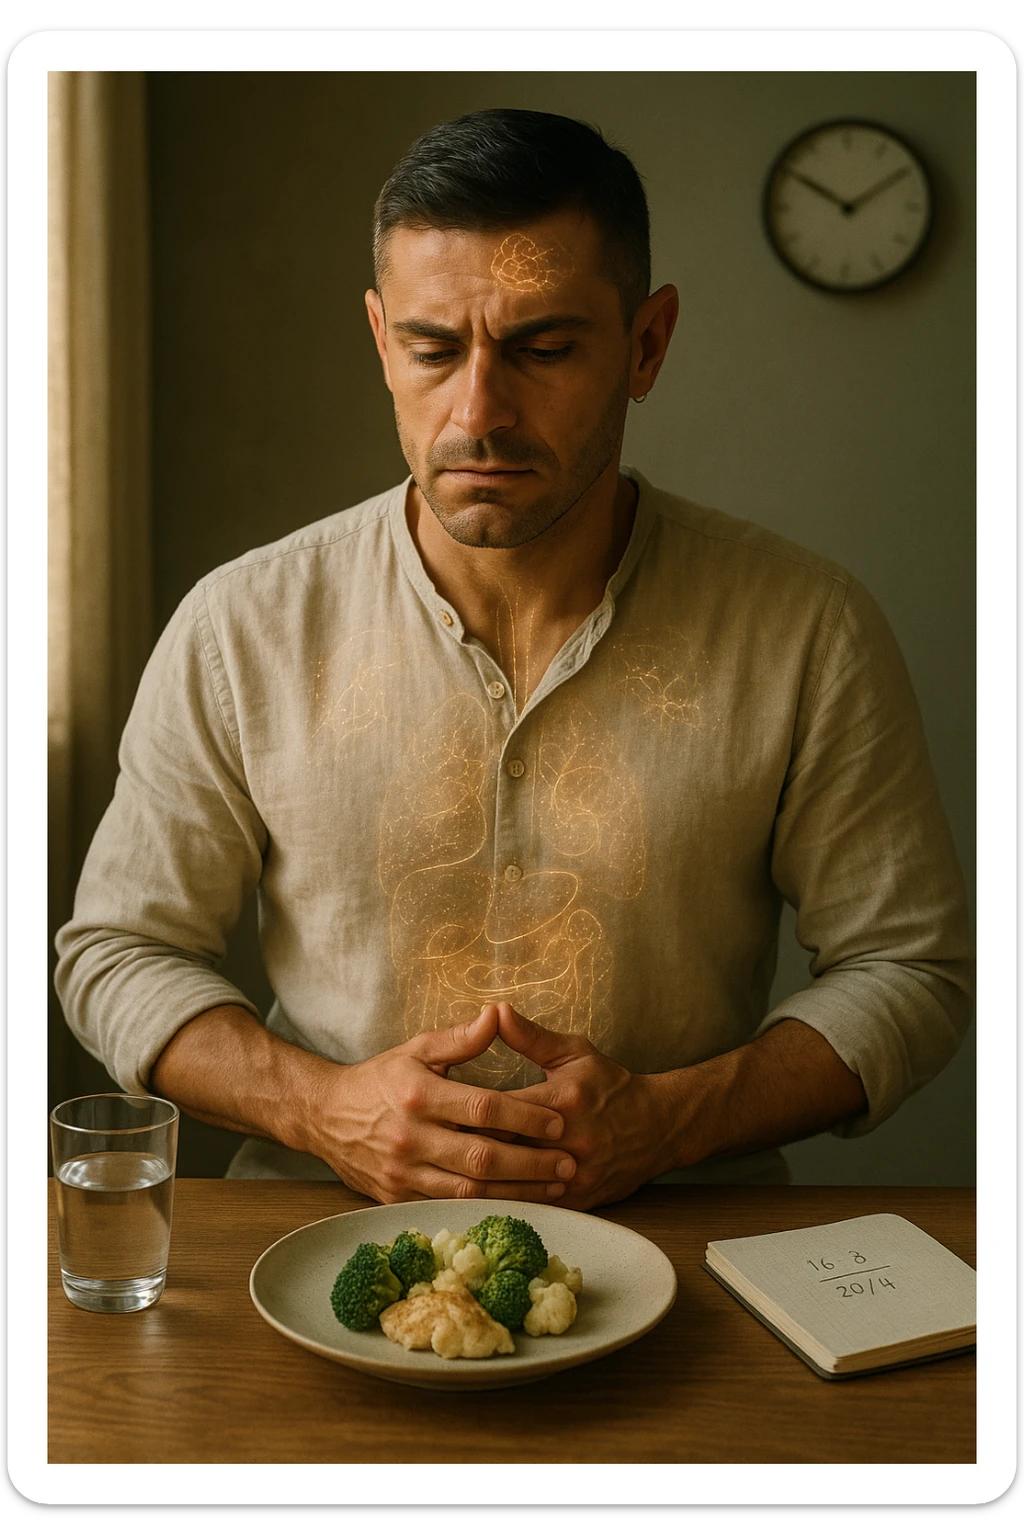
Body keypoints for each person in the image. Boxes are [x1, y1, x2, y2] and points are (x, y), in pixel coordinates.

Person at [55, 109, 973, 1209]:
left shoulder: (807, 628)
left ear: (646, 345)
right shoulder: (239, 627)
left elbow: (909, 971)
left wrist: (671, 1121)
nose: (479, 413)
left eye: (542, 348)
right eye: (433, 349)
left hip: (692, 1251)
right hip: (314, 1246)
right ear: (380, 340)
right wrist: (322, 1109)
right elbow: (116, 953)